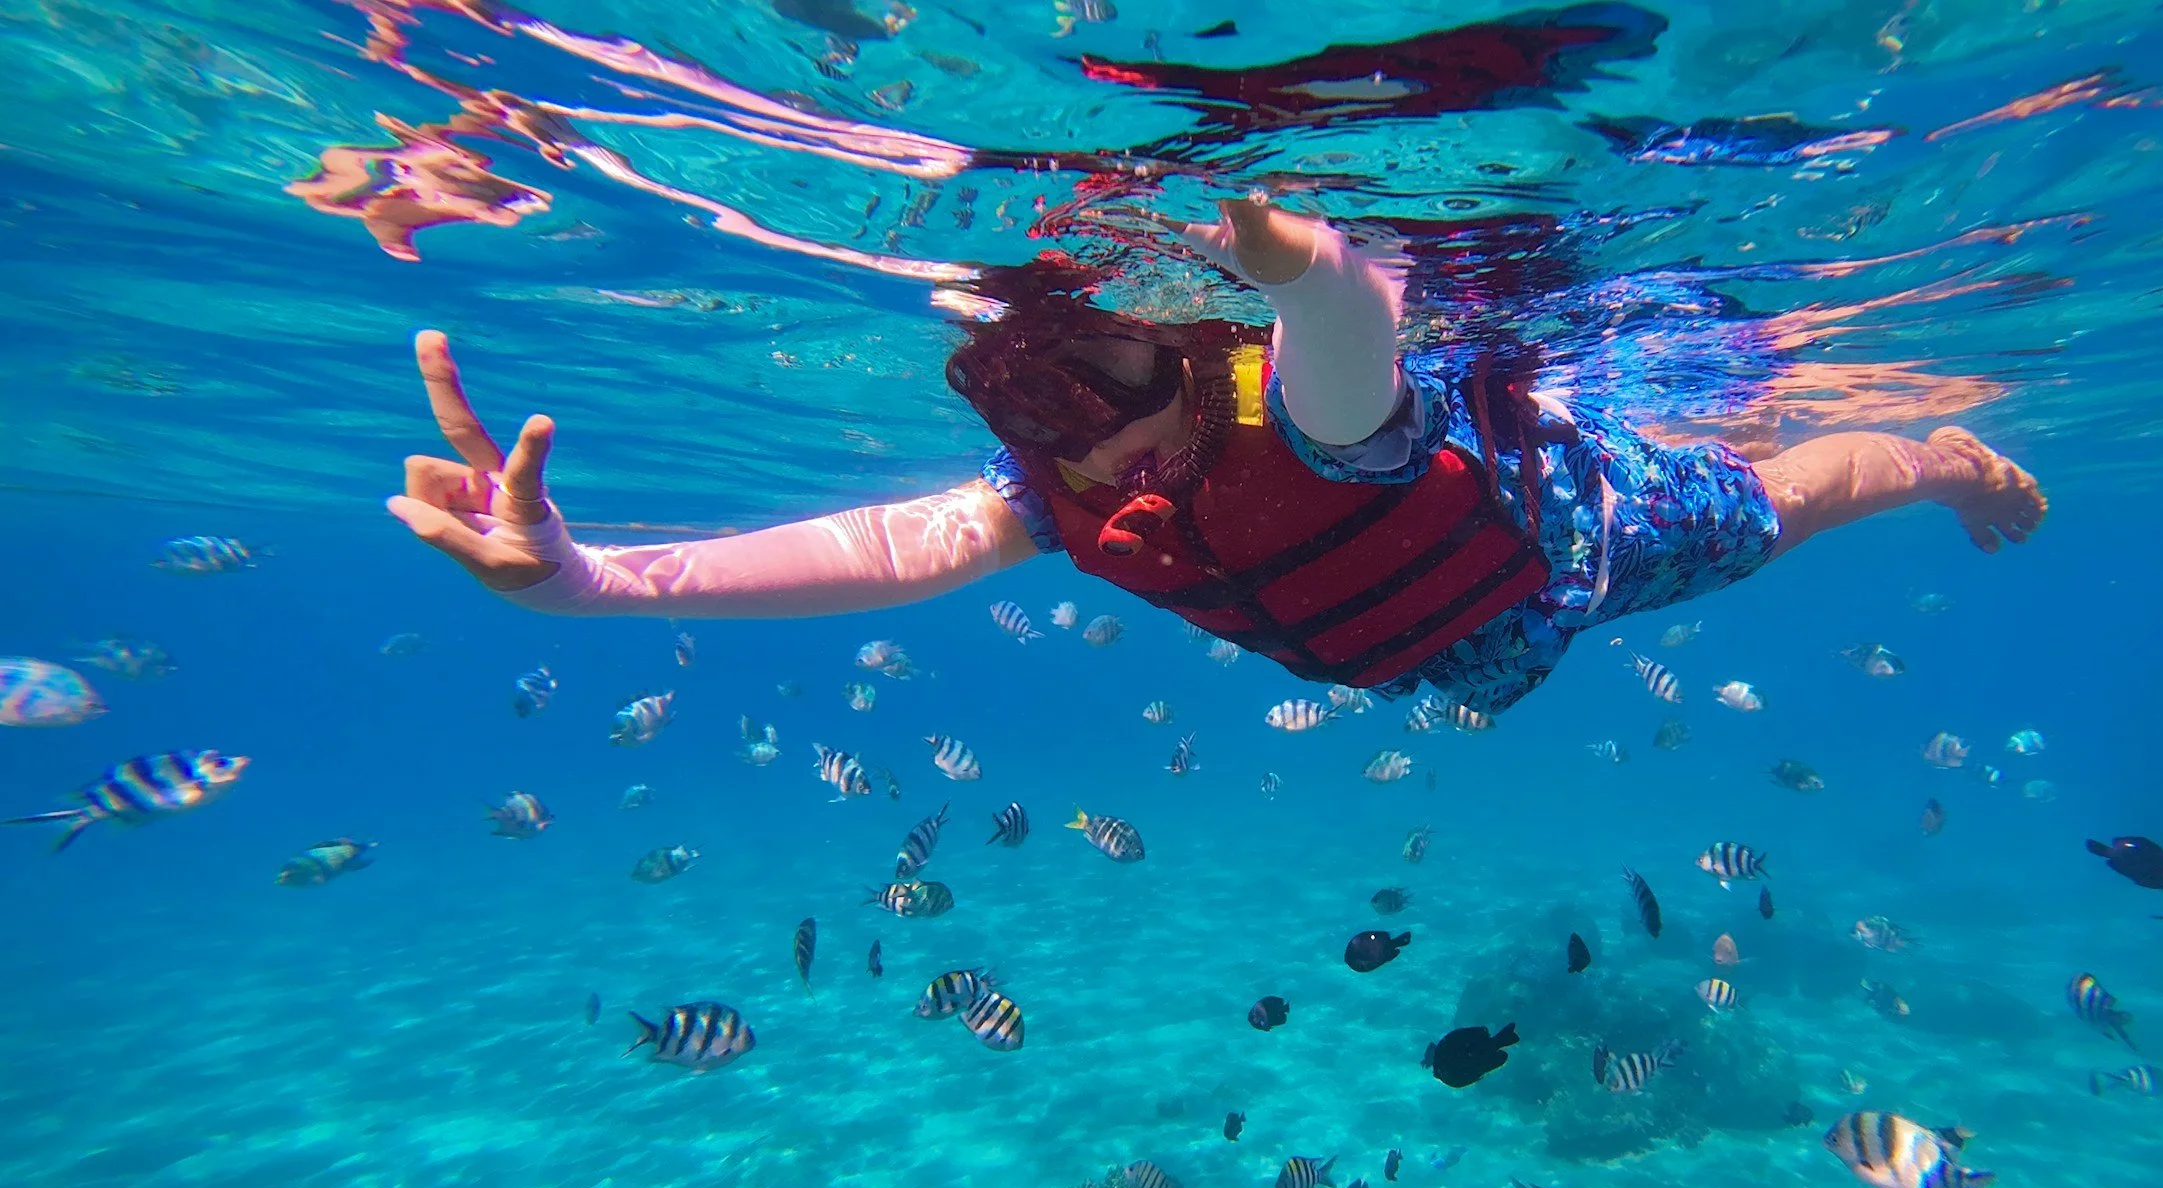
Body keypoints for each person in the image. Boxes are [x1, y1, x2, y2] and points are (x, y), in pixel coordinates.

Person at [389, 200, 2046, 713]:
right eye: (1025, 406)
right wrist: (593, 581)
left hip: (1565, 543)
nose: (1081, 438)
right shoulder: (1084, 484)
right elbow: (893, 551)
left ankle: (1941, 452)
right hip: (1445, 631)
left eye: (1098, 376)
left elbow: (1342, 373)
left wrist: (1312, 274)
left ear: (1187, 343)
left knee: (1788, 499)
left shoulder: (1296, 409)